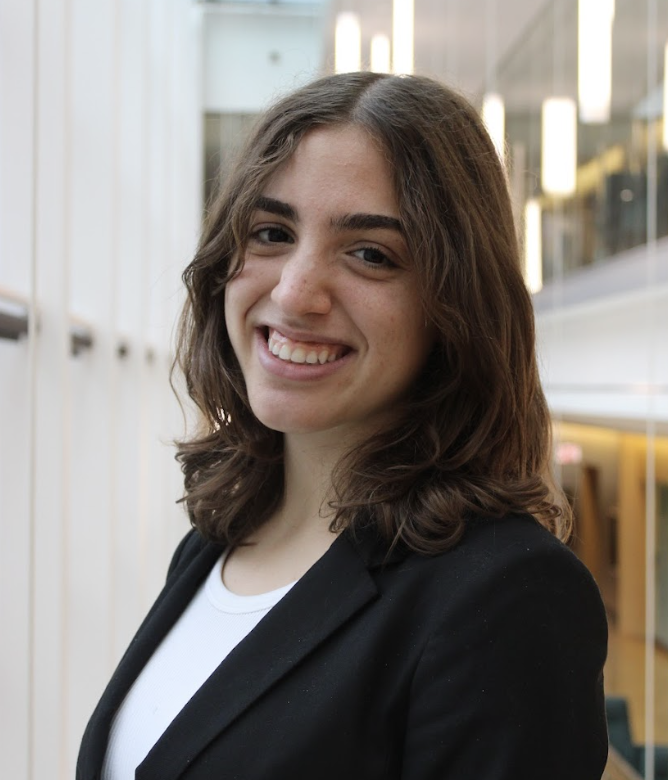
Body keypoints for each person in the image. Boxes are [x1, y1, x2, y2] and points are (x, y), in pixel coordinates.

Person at [77, 71, 608, 780]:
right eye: (270, 232)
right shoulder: (215, 543)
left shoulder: (508, 600)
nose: (296, 293)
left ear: (455, 305)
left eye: (370, 254)